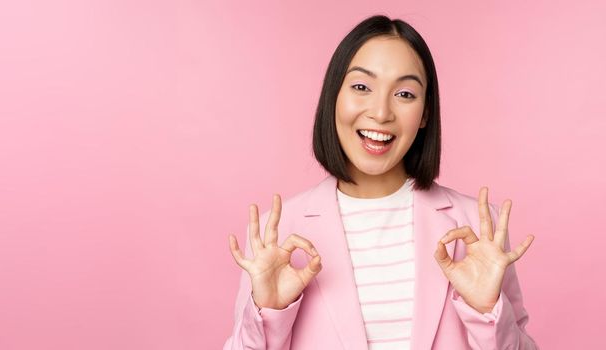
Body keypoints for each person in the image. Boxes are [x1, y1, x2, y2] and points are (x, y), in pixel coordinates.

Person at [223, 15, 539, 350]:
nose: (381, 112)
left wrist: (487, 312)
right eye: (361, 87)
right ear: (334, 95)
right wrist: (268, 314)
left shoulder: (477, 228)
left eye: (404, 93)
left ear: (425, 114)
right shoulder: (281, 229)